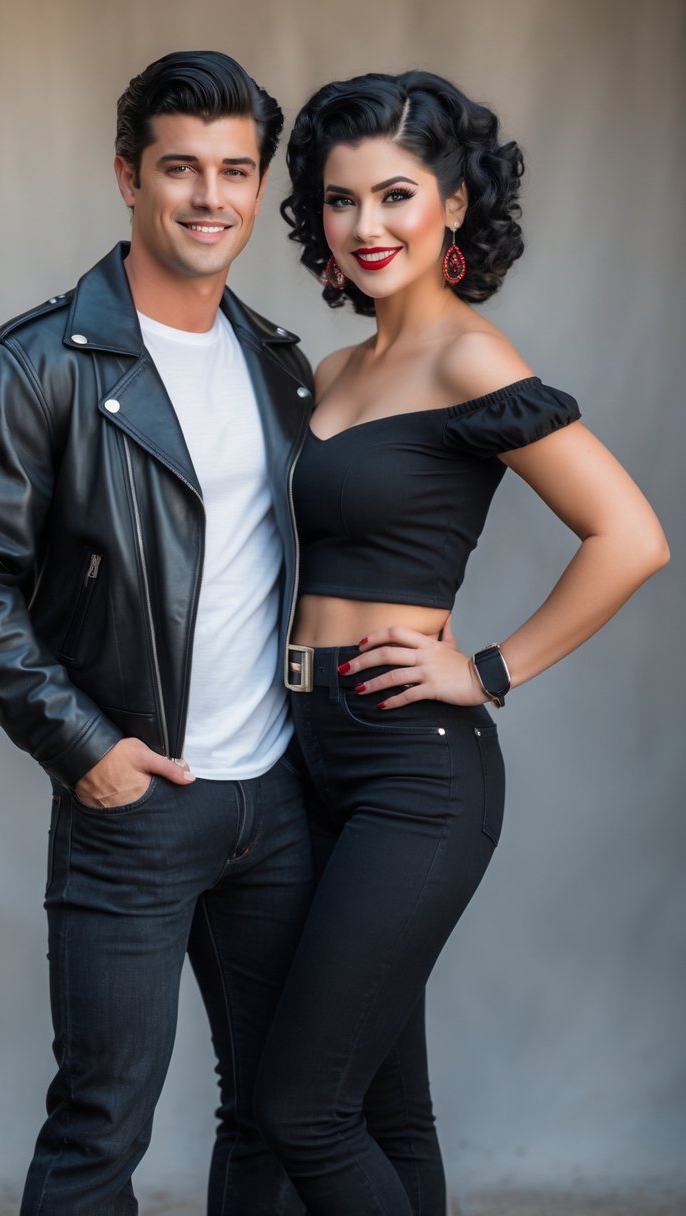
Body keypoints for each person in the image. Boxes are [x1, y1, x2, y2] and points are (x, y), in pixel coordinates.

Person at [253, 69, 670, 1215]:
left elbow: (630, 536)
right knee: (385, 1108)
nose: (366, 224)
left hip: (412, 763)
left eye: (395, 194)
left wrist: (486, 670)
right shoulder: (333, 372)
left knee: (301, 1109)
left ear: (453, 204)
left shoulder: (471, 360)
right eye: (340, 199)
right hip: (297, 742)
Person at [0, 50, 315, 1216]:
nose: (209, 196)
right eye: (179, 168)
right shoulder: (37, 361)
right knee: (102, 1123)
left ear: (258, 186)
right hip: (137, 799)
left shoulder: (280, 365)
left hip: (275, 797)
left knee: (278, 1112)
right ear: (128, 178)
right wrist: (85, 748)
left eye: (234, 171)